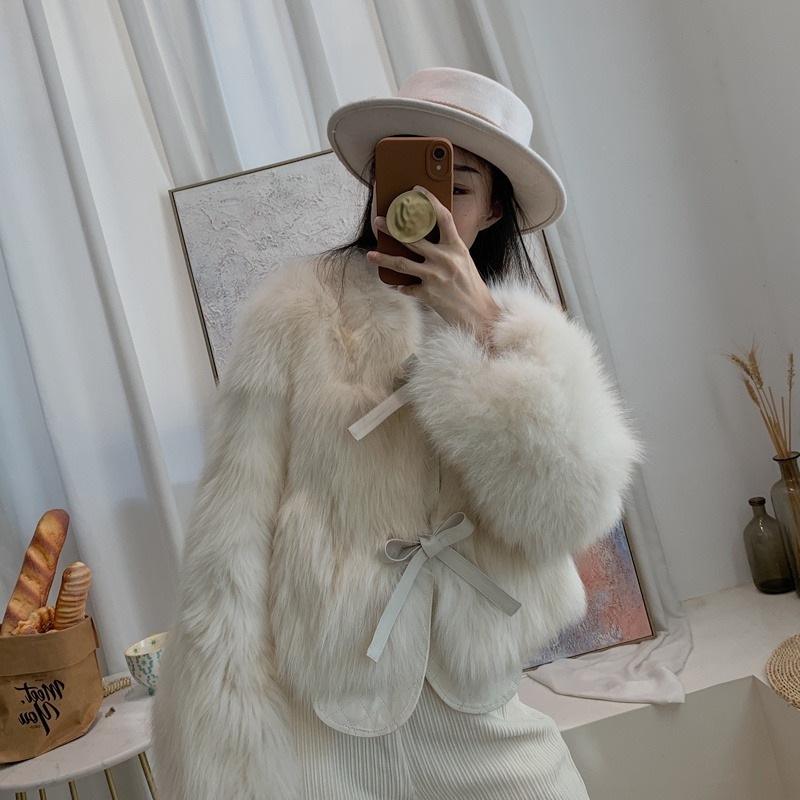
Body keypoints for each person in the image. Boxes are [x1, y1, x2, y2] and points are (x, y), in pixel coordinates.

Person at [153, 67, 644, 799]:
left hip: (479, 705)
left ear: (495, 209)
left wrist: (479, 326)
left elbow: (571, 512)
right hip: (329, 723)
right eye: (408, 172)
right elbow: (230, 544)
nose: (426, 202)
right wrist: (223, 753)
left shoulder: (522, 340)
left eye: (459, 183)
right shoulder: (295, 314)